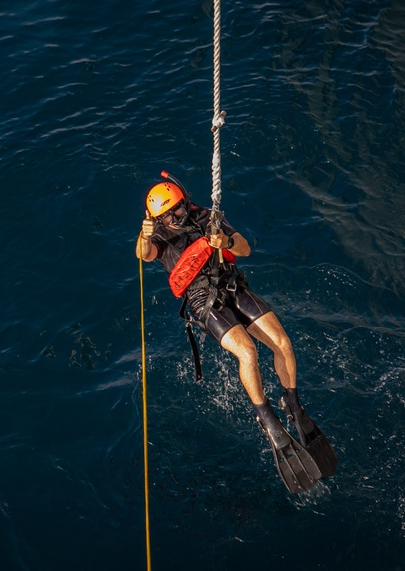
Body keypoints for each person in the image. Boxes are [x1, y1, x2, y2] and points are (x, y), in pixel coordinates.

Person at [136, 177, 336, 492]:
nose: (178, 218)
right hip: (203, 301)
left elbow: (244, 247)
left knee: (282, 343)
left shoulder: (207, 217)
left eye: (180, 209)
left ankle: (293, 405)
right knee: (248, 352)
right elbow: (144, 254)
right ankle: (268, 419)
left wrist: (224, 242)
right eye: (170, 216)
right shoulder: (158, 236)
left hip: (232, 284)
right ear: (158, 220)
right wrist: (144, 236)